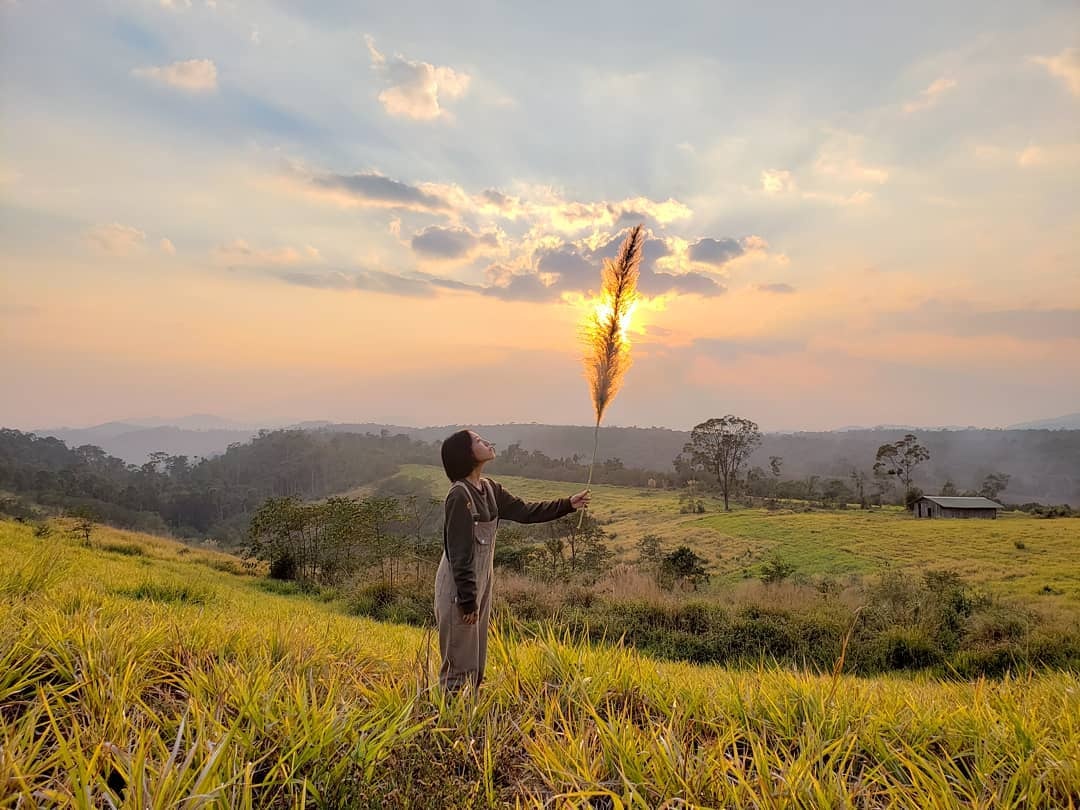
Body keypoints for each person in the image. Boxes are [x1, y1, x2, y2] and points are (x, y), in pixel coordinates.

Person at [436, 429, 590, 692]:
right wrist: (467, 599)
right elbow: (459, 553)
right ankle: (447, 722)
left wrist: (568, 504)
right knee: (459, 663)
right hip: (459, 588)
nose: (486, 442)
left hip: (481, 583)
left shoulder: (490, 489)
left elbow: (526, 512)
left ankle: (468, 718)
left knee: (476, 660)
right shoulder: (459, 495)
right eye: (477, 441)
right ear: (466, 454)